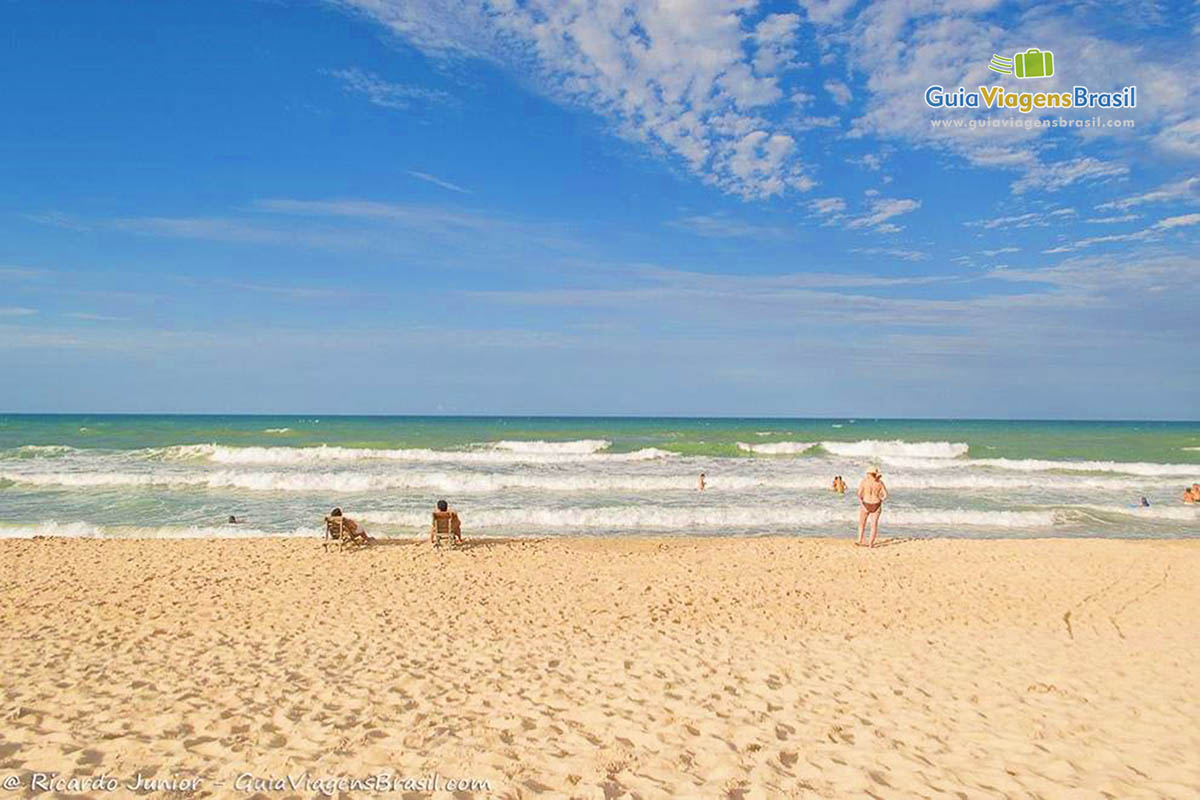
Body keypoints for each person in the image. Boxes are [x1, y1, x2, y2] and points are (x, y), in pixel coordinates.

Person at [856, 467, 888, 548]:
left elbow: (859, 493)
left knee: (862, 523)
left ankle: (859, 540)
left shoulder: (864, 482)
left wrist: (861, 501)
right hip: (876, 504)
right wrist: (880, 499)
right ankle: (870, 543)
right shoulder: (880, 483)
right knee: (873, 525)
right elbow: (885, 495)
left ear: (869, 473)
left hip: (865, 503)